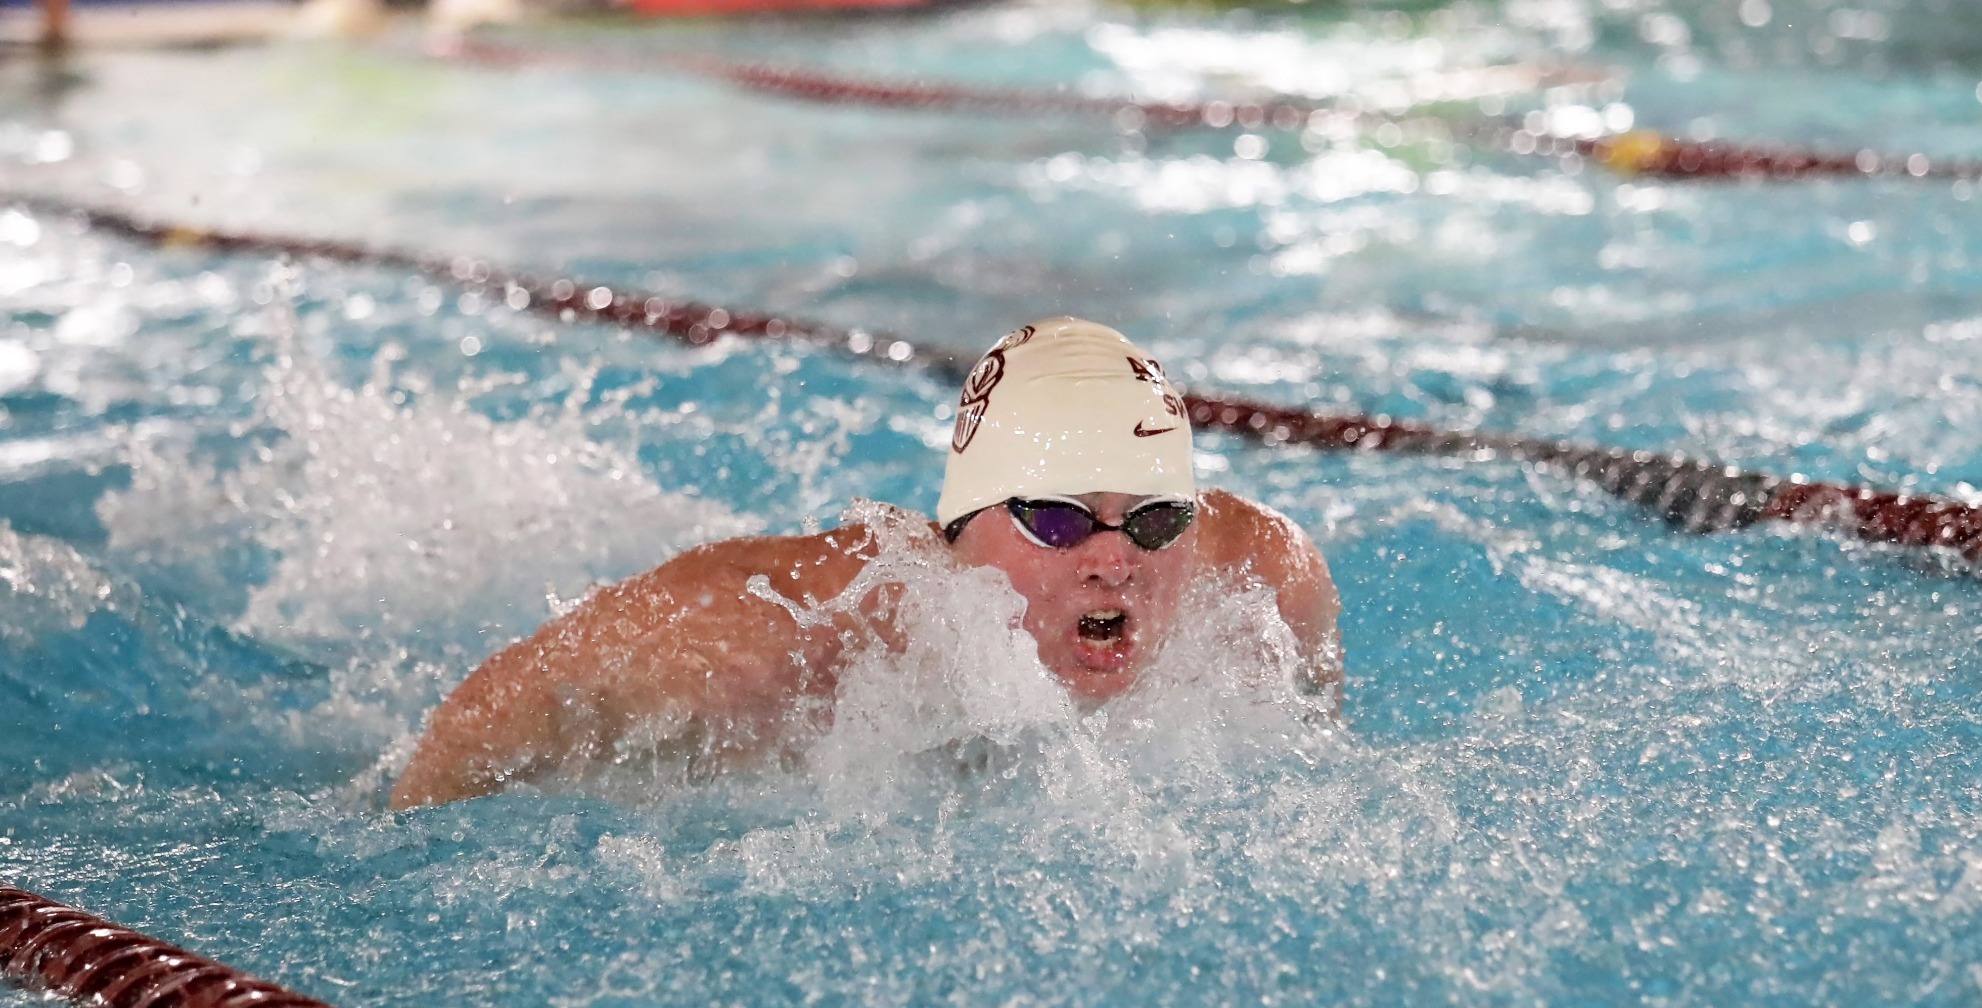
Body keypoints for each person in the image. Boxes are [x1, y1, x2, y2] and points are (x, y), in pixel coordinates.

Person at [389, 317, 1342, 809]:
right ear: (963, 529)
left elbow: (1320, 762)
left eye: (1153, 518)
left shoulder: (1263, 580)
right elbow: (477, 725)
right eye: (1057, 519)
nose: (1114, 561)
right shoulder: (765, 635)